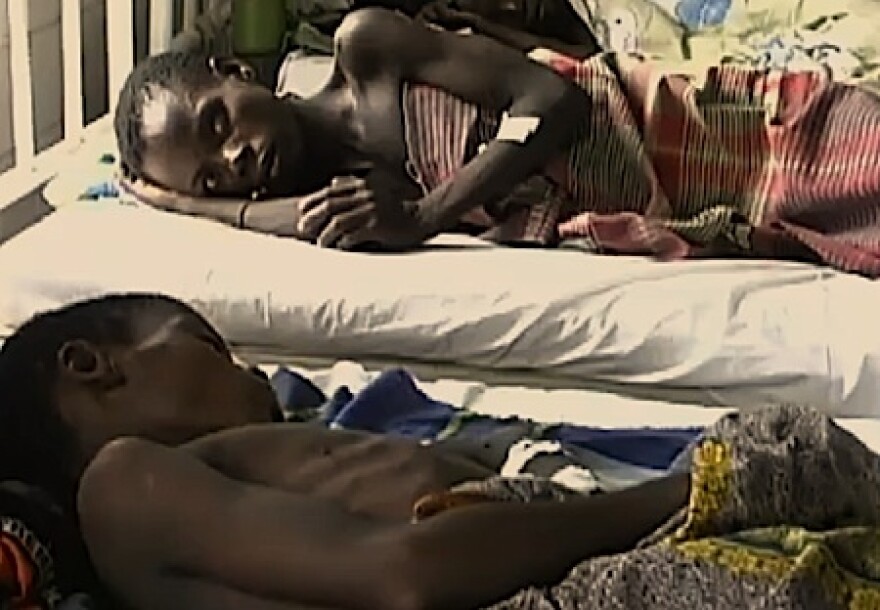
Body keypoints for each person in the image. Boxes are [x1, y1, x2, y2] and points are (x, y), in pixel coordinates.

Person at [4, 294, 880, 609]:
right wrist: (684, 494)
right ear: (91, 366)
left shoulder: (204, 478)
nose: (253, 370)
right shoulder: (123, 482)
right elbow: (407, 574)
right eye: (211, 348)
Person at [118, 7, 880, 276]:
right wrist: (200, 210)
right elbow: (282, 219)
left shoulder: (368, 52)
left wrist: (425, 216)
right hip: (697, 204)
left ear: (234, 71)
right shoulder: (339, 202)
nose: (236, 158)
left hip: (716, 133)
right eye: (215, 176)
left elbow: (551, 102)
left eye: (218, 123)